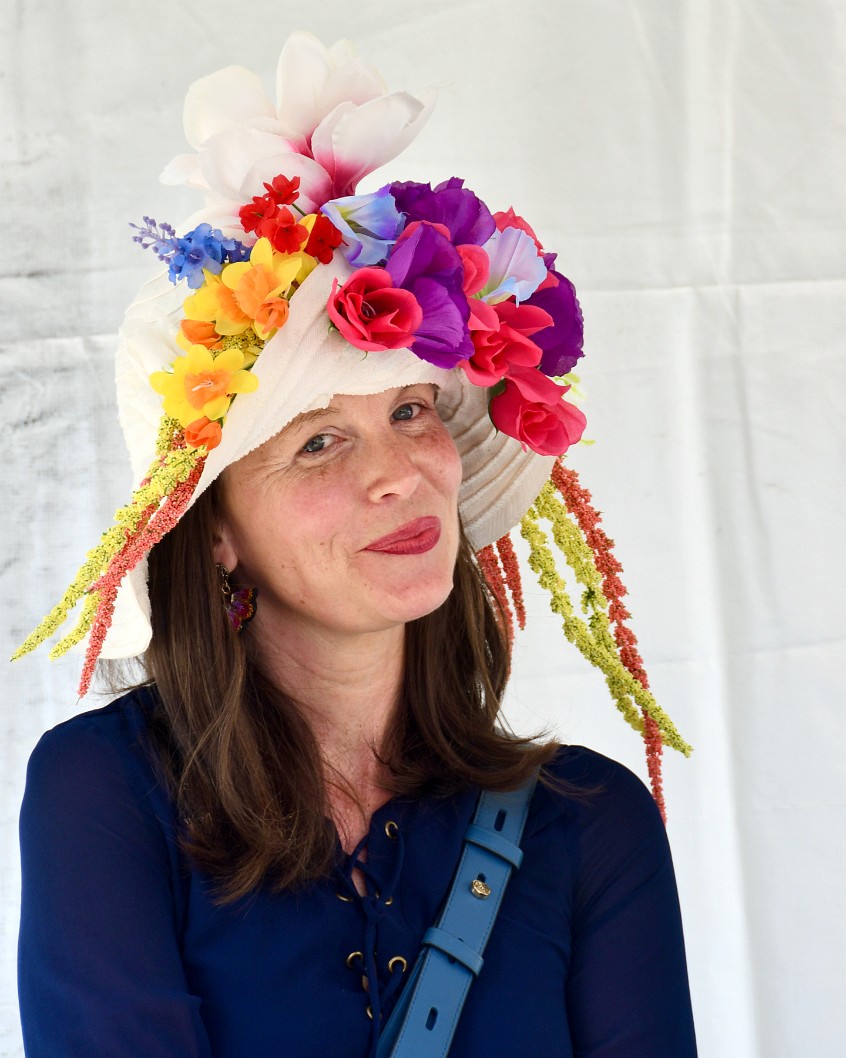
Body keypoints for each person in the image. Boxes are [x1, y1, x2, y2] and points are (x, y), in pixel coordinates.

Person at [14, 32, 698, 1058]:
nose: (398, 471)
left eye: (414, 410)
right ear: (216, 539)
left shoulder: (594, 824)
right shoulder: (106, 795)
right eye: (319, 439)